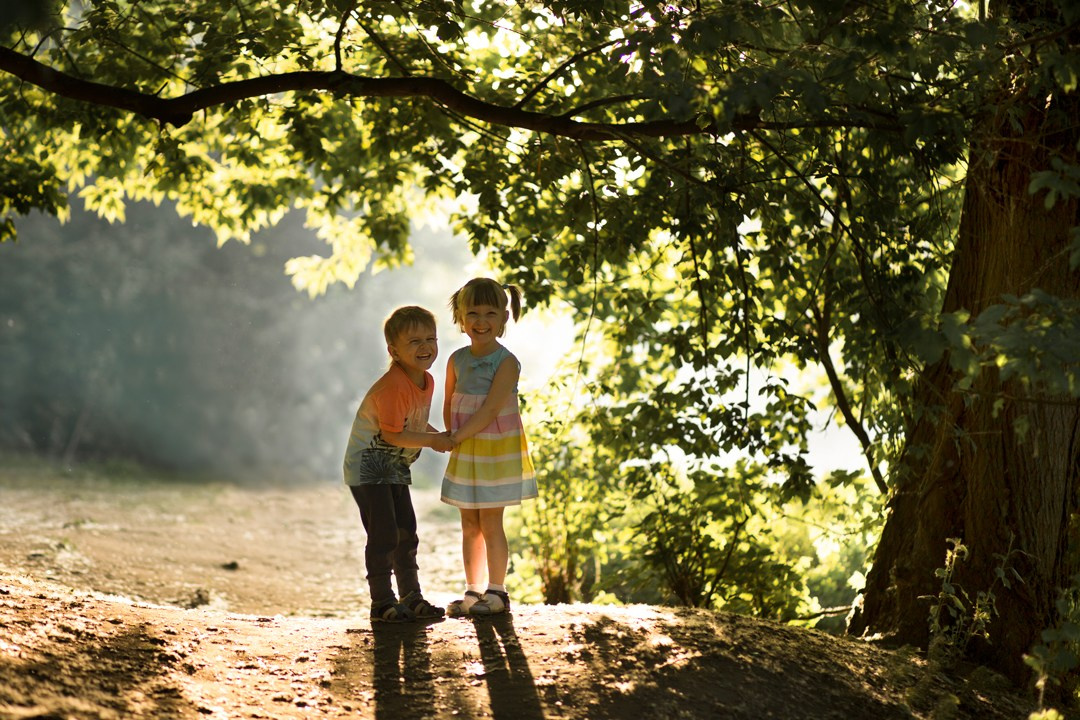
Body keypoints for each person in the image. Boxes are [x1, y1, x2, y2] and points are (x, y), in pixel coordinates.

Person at [343, 306, 455, 623]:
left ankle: (412, 597)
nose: (425, 347)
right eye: (414, 341)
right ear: (394, 351)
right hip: (368, 465)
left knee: (407, 532)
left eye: (430, 338)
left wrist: (441, 435)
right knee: (384, 534)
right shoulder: (393, 386)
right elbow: (394, 435)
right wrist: (433, 441)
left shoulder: (426, 381)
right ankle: (382, 602)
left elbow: (414, 423)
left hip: (393, 466)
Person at [440, 278, 538, 616]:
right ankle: (473, 591)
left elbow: (491, 410)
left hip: (495, 451)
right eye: (473, 313)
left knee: (491, 522)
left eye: (490, 313)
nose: (481, 321)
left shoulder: (506, 362)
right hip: (466, 449)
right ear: (461, 317)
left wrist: (457, 436)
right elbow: (450, 401)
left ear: (503, 318)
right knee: (469, 523)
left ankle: (497, 592)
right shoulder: (456, 359)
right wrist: (450, 436)